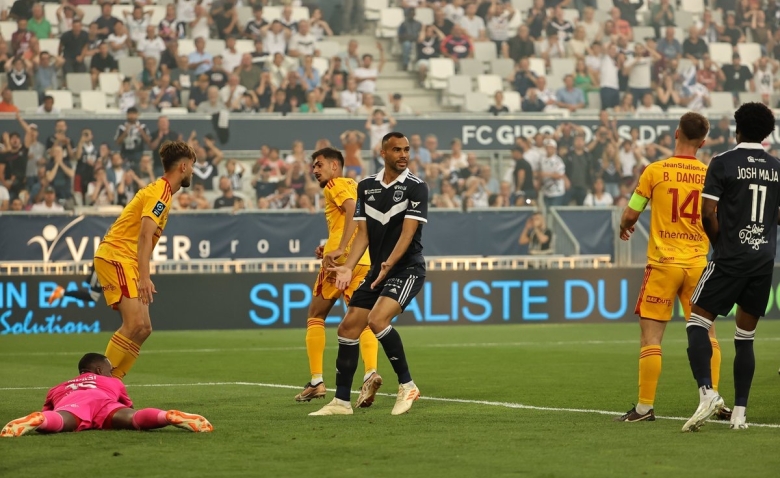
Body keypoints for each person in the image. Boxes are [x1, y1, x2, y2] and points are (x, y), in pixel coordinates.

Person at [616, 112, 730, 423]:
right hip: (697, 264)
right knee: (708, 334)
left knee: (651, 338)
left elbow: (632, 212)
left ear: (675, 133)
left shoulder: (655, 171)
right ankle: (713, 399)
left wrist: (624, 226)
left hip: (664, 263)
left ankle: (643, 408)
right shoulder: (710, 173)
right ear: (703, 142)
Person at [310, 132, 427, 417]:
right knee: (347, 328)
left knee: (376, 320)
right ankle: (341, 402)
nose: (403, 154)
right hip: (377, 270)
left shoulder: (416, 187)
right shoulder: (367, 187)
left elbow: (409, 232)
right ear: (383, 153)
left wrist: (389, 263)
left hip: (406, 268)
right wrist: (348, 264)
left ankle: (407, 385)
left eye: (407, 150)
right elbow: (362, 233)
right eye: (397, 149)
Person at [681, 103, 780, 432]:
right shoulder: (777, 168)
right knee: (745, 336)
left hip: (730, 256)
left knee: (697, 321)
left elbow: (707, 212)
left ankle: (707, 392)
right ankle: (739, 413)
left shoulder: (723, 162)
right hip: (763, 260)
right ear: (767, 134)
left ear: (737, 127)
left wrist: (720, 245)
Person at [92, 142, 195, 380]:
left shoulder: (163, 192)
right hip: (117, 255)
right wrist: (145, 277)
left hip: (126, 258)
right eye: (191, 167)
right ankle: (93, 385)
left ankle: (112, 385)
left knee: (144, 328)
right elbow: (145, 234)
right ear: (183, 166)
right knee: (133, 323)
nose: (192, 172)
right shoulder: (160, 192)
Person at [294, 147, 381, 405]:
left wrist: (340, 249)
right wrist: (331, 244)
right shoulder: (355, 185)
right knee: (360, 320)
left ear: (335, 165)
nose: (315, 170)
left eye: (319, 164)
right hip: (363, 260)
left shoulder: (334, 184)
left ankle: (316, 381)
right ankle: (370, 373)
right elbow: (358, 220)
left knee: (315, 315)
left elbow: (353, 209)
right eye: (313, 166)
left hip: (339, 264)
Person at [1, 353, 212, 437]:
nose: (112, 372)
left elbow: (50, 409)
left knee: (59, 420)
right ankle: (166, 416)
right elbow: (128, 406)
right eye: (109, 369)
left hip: (73, 402)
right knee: (134, 418)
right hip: (104, 402)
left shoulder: (59, 387)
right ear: (100, 371)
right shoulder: (111, 381)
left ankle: (35, 420)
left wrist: (44, 417)